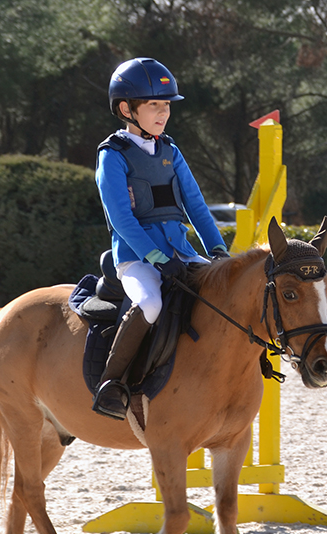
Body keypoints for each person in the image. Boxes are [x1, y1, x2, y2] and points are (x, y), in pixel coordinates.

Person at [93, 57, 229, 421]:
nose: (163, 113)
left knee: (227, 293)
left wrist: (218, 250)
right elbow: (121, 219)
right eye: (154, 104)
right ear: (126, 108)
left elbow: (197, 207)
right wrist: (156, 258)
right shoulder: (113, 156)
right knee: (151, 305)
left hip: (181, 253)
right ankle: (113, 384)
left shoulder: (170, 150)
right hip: (137, 258)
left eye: (166, 105)